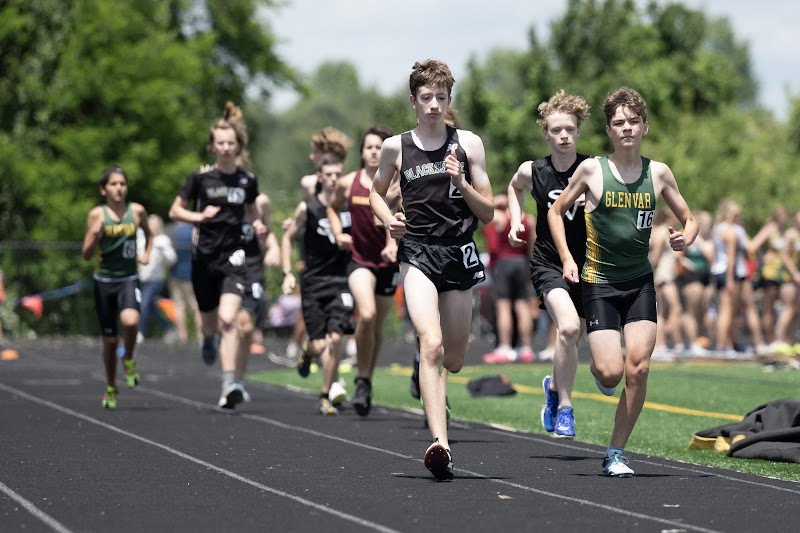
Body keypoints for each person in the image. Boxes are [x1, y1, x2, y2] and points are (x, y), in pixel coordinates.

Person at [548, 86, 697, 477]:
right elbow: (556, 211)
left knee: (639, 369)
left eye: (633, 121)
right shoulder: (592, 170)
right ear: (609, 131)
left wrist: (686, 238)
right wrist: (567, 258)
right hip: (599, 282)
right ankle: (593, 376)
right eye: (619, 122)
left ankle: (615, 453)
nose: (627, 127)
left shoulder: (658, 173)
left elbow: (689, 218)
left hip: (640, 282)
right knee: (611, 372)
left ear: (645, 127)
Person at [370, 59, 494, 480]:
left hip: (458, 252)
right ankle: (440, 443)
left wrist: (461, 183)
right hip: (417, 252)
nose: (434, 105)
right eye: (427, 98)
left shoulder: (469, 144)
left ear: (449, 99)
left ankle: (431, 376)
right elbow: (375, 194)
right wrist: (389, 220)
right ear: (413, 101)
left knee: (453, 360)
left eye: (441, 97)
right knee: (432, 344)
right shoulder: (396, 147)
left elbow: (488, 213)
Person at [169, 101, 266, 409]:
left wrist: (258, 225)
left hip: (234, 258)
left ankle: (229, 384)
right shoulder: (200, 178)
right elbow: (175, 211)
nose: (225, 148)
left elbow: (253, 212)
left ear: (238, 146)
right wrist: (200, 217)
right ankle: (208, 340)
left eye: (230, 143)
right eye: (220, 143)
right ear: (212, 146)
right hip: (204, 259)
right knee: (210, 325)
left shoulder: (247, 180)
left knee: (228, 319)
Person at [507, 89, 592, 439]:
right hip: (548, 262)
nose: (564, 135)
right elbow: (514, 188)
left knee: (574, 337)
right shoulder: (534, 170)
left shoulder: (593, 169)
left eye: (570, 129)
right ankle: (566, 409)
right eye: (557, 129)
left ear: (578, 130)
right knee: (568, 329)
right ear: (545, 133)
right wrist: (516, 221)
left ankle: (554, 388)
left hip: (587, 264)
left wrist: (595, 202)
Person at [327, 125, 399, 415]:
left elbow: (400, 215)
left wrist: (393, 243)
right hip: (359, 260)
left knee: (376, 327)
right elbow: (332, 208)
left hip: (388, 262)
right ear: (361, 152)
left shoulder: (398, 182)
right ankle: (360, 377)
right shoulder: (349, 183)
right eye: (369, 147)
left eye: (379, 147)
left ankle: (366, 380)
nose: (373, 152)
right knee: (366, 315)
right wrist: (338, 233)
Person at [270, 127, 353, 368]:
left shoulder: (348, 183)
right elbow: (310, 211)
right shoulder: (311, 183)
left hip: (342, 263)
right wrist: (295, 223)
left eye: (315, 152)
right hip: (315, 258)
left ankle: (339, 364)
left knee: (337, 323)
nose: (311, 156)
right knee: (313, 316)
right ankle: (304, 348)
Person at [282, 153, 355, 415]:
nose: (334, 179)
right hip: (314, 282)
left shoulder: (349, 206)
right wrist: (287, 273)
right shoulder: (308, 208)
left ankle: (324, 396)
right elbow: (288, 238)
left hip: (342, 281)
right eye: (329, 174)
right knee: (319, 345)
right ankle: (307, 351)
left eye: (338, 174)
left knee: (335, 339)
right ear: (320, 177)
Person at [81, 165, 152, 409]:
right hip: (104, 282)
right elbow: (86, 255)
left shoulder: (137, 211)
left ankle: (129, 358)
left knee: (131, 322)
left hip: (129, 278)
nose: (119, 188)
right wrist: (95, 235)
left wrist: (147, 253)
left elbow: (149, 234)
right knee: (110, 342)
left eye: (122, 183)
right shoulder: (97, 215)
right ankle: (111, 387)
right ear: (104, 190)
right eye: (113, 184)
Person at [482, 192, 536, 363]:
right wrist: (529, 266)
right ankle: (526, 348)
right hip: (521, 262)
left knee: (503, 306)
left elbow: (483, 213)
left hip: (503, 263)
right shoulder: (529, 219)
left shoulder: (499, 216)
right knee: (522, 304)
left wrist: (496, 202)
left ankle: (505, 347)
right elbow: (532, 246)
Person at [710, 199, 764, 356]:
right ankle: (722, 346)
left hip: (719, 270)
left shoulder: (718, 229)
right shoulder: (732, 231)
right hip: (731, 272)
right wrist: (730, 279)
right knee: (727, 310)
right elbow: (732, 257)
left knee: (724, 309)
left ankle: (728, 344)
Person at [748, 205, 789, 349]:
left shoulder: (783, 232)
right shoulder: (770, 229)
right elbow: (753, 246)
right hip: (769, 274)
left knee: (786, 307)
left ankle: (781, 339)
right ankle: (770, 341)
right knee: (769, 308)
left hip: (782, 275)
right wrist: (763, 256)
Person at [676, 210, 715, 356]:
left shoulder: (709, 239)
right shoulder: (689, 236)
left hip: (706, 277)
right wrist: (686, 263)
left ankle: (699, 340)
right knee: (691, 311)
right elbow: (678, 255)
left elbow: (711, 257)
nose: (707, 228)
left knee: (702, 311)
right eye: (704, 224)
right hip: (691, 277)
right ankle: (692, 342)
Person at [136, 214, 177, 344]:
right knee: (150, 307)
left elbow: (171, 260)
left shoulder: (163, 240)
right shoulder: (141, 239)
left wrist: (162, 251)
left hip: (155, 279)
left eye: (156, 225)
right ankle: (168, 328)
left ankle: (140, 332)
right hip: (141, 278)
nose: (154, 227)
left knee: (144, 304)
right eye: (151, 225)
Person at [650, 208, 685, 359]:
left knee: (663, 311)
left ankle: (664, 344)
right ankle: (668, 344)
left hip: (667, 276)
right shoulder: (660, 233)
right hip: (662, 277)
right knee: (672, 309)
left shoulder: (667, 232)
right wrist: (652, 277)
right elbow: (655, 258)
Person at [168, 221, 203, 344]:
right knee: (197, 307)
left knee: (179, 307)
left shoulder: (172, 232)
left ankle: (182, 336)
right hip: (193, 275)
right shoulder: (194, 231)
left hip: (175, 275)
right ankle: (200, 336)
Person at [773, 210, 800, 352]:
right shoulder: (791, 234)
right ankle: (778, 341)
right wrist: (794, 273)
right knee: (788, 309)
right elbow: (784, 256)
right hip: (788, 279)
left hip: (797, 280)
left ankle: (790, 342)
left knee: (796, 311)